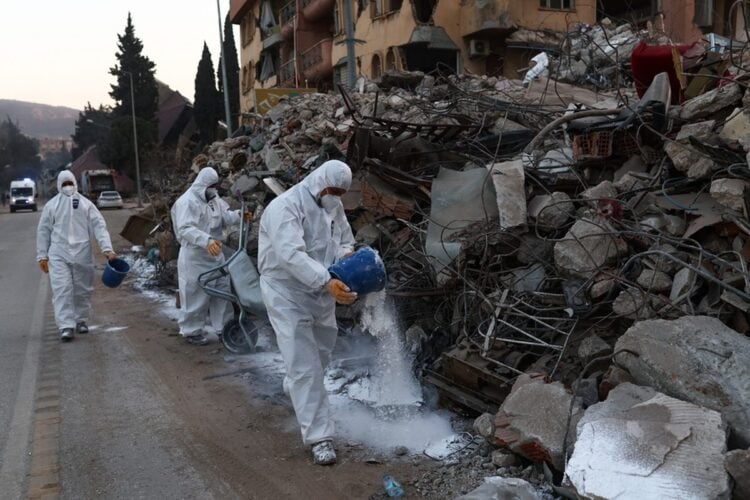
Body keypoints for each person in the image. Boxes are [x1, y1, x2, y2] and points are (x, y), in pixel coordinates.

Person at [258, 160, 357, 465]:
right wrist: (327, 280)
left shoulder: (333, 206)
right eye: (333, 190)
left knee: (322, 352)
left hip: (321, 289)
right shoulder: (283, 207)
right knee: (304, 364)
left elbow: (344, 239)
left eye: (341, 193)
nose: (336, 196)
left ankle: (298, 387)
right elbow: (290, 255)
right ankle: (320, 438)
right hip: (286, 292)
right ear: (320, 183)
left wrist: (347, 259)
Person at [171, 166, 249, 346]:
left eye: (216, 186)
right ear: (202, 185)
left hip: (216, 254)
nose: (215, 190)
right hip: (195, 256)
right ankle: (191, 331)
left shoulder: (214, 199)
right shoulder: (187, 202)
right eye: (212, 186)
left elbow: (225, 216)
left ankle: (225, 329)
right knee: (195, 295)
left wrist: (239, 215)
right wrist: (206, 241)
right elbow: (185, 229)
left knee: (222, 293)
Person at [36, 170, 116, 341]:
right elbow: (43, 231)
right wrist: (42, 255)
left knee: (82, 290)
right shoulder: (51, 206)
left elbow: (99, 226)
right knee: (62, 289)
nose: (67, 187)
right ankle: (66, 326)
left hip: (82, 252)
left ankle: (81, 320)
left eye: (69, 183)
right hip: (58, 252)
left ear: (75, 183)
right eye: (64, 184)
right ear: (59, 185)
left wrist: (107, 249)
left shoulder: (86, 204)